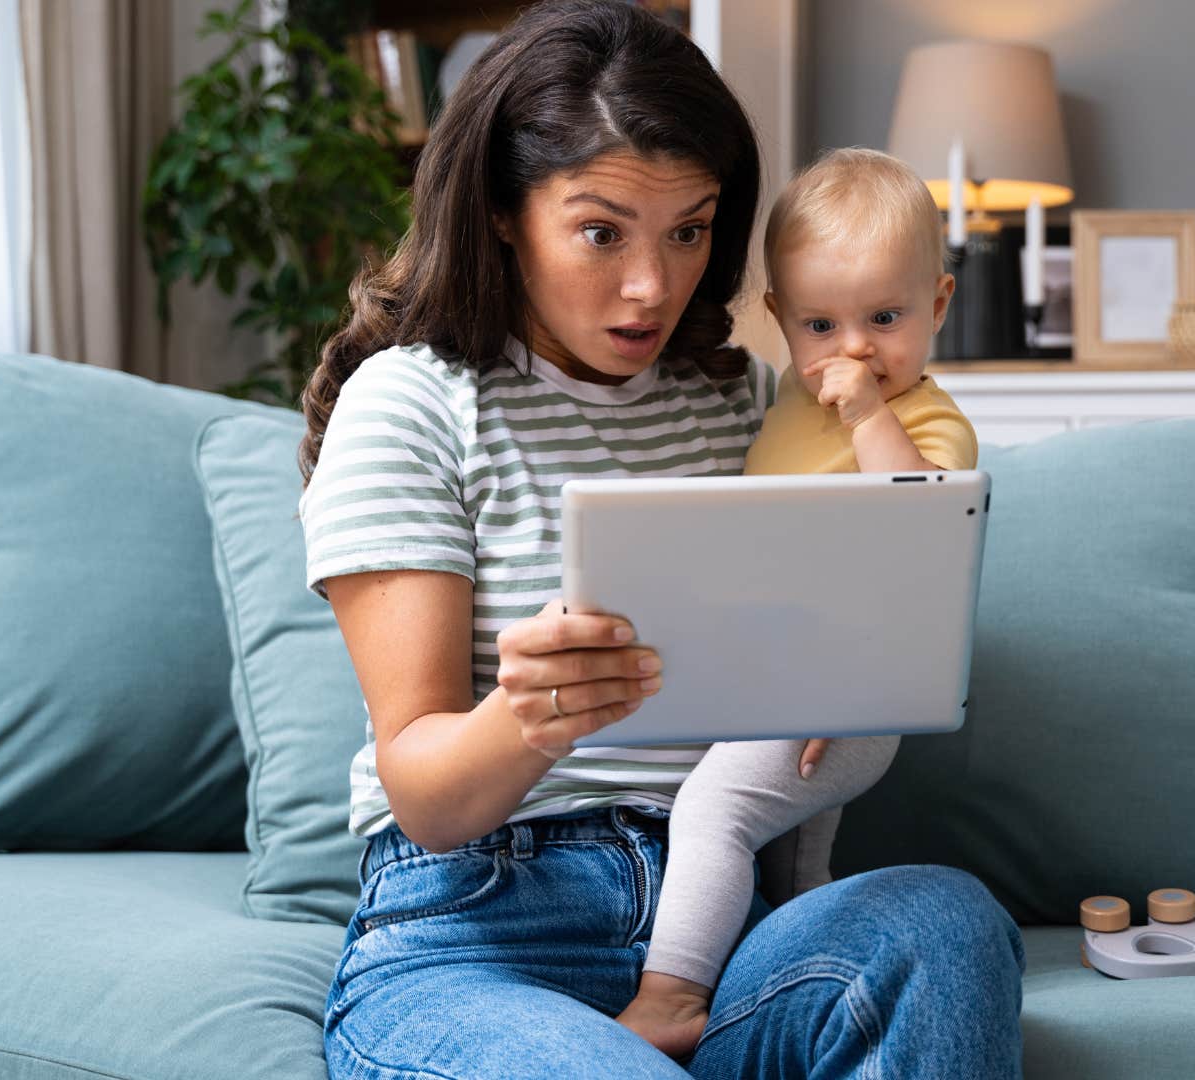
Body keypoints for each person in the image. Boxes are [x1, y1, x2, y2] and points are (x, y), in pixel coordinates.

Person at [296, 2, 1024, 1077]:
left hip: (727, 920)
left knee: (942, 922)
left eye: (688, 230)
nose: (654, 283)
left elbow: (900, 531)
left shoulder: (745, 404)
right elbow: (428, 798)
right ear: (503, 211)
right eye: (603, 231)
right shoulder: (410, 404)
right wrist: (527, 715)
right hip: (480, 931)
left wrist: (850, 664)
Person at [618, 147, 978, 1056]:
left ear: (937, 306)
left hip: (852, 690)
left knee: (711, 811)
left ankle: (671, 996)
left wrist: (866, 416)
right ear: (779, 321)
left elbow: (921, 533)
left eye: (886, 318)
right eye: (822, 324)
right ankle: (787, 982)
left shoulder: (927, 420)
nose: (853, 350)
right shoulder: (783, 394)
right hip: (775, 682)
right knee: (794, 860)